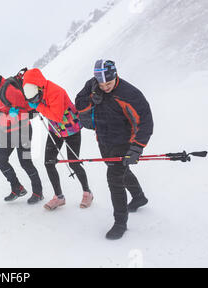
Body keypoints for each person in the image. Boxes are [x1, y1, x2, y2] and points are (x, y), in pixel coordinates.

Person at [75, 59, 154, 240]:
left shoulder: (129, 93)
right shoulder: (93, 85)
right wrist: (91, 98)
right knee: (120, 171)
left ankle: (120, 222)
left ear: (115, 75)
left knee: (114, 178)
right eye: (101, 84)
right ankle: (139, 196)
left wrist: (137, 148)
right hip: (103, 138)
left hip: (124, 141)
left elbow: (145, 121)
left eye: (108, 83)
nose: (105, 87)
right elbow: (79, 104)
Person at [21, 68, 92, 210]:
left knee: (73, 163)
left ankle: (87, 192)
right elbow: (37, 107)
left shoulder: (56, 92)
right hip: (56, 131)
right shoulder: (34, 92)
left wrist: (39, 106)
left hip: (71, 129)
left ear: (39, 87)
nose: (35, 100)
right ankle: (59, 197)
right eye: (32, 99)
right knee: (49, 162)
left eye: (36, 97)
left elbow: (57, 116)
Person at [0, 74, 44, 204]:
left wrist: (10, 114)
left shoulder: (9, 90)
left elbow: (26, 109)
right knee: (0, 160)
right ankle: (17, 188)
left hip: (22, 129)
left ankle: (38, 192)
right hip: (6, 132)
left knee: (25, 162)